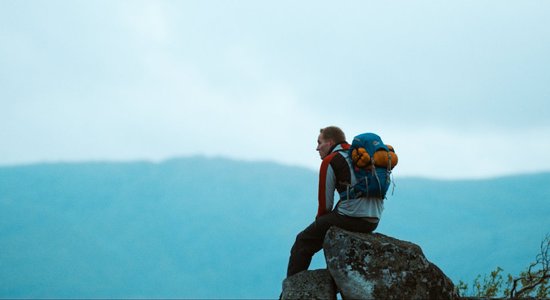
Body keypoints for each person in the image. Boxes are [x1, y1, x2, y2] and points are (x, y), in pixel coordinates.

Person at [286, 126, 384, 277]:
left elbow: (325, 205)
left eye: (319, 142)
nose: (316, 148)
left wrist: (319, 223)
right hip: (373, 220)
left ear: (330, 142)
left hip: (350, 217)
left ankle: (293, 289)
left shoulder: (330, 160)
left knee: (303, 241)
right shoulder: (360, 155)